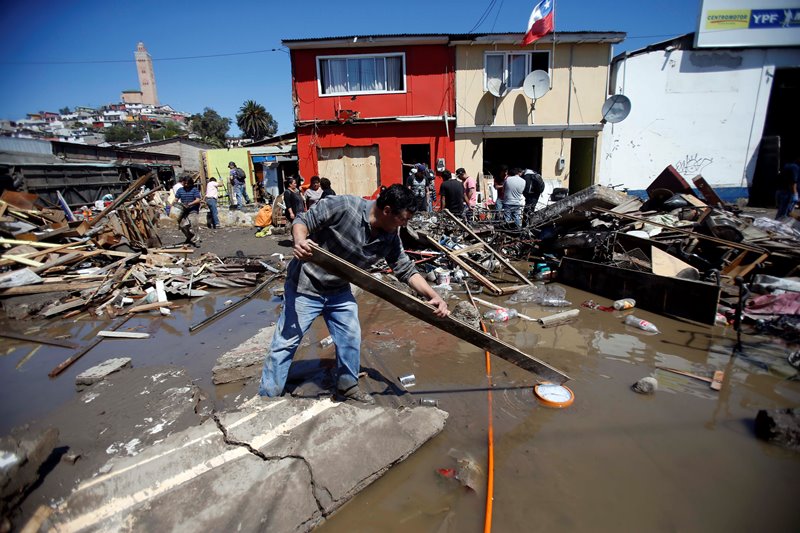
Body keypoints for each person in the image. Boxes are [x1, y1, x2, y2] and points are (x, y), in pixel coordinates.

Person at [259, 184, 449, 404]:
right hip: (306, 285)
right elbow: (303, 220)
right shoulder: (344, 206)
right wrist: (300, 241)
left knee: (350, 337)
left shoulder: (390, 234)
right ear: (386, 210)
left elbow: (404, 268)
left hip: (339, 290)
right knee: (286, 342)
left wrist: (433, 295)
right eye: (403, 219)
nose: (405, 225)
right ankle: (267, 397)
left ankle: (347, 386)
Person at [174, 176, 202, 247]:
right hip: (183, 210)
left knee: (194, 224)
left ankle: (197, 239)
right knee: (182, 226)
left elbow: (198, 199)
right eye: (185, 183)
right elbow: (176, 199)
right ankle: (190, 236)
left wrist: (190, 204)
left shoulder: (194, 190)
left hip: (193, 209)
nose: (186, 185)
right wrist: (174, 204)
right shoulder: (180, 190)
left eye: (188, 183)